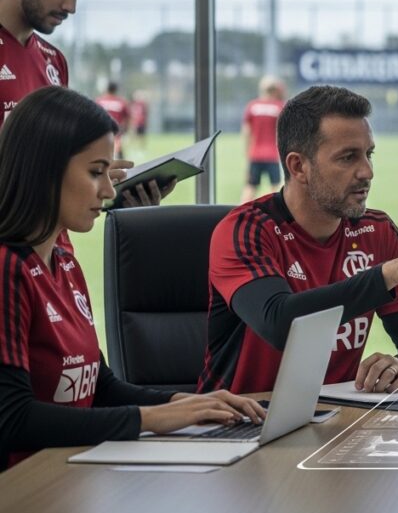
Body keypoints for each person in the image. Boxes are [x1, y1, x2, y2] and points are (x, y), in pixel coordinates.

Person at [0, 86, 263, 469]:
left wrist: (184, 403)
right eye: (95, 172)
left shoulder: (65, 265)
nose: (109, 191)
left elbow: (100, 387)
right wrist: (150, 420)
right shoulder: (8, 269)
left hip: (70, 477)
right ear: (45, 170)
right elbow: (14, 419)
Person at [200, 86, 398, 395]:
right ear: (298, 166)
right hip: (235, 427)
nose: (367, 171)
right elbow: (280, 323)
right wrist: (387, 275)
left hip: (332, 421)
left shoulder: (378, 232)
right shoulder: (245, 230)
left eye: (368, 154)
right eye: (348, 158)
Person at [0, 0, 166, 207]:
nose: (71, 7)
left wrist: (101, 183)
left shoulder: (54, 60)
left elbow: (54, 166)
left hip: (55, 247)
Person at [240, 76, 285, 202]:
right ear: (275, 91)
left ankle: (239, 215)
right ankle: (276, 218)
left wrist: (247, 153)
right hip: (272, 154)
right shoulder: (279, 107)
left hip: (255, 154)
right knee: (276, 189)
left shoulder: (252, 106)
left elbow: (246, 132)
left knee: (250, 187)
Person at [93, 81, 128, 158]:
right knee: (116, 149)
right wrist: (125, 129)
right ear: (116, 89)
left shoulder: (99, 101)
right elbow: (127, 117)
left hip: (102, 130)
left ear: (107, 89)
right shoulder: (121, 102)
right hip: (117, 130)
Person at [127, 89, 149, 154]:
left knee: (142, 137)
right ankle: (133, 149)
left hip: (141, 122)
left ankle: (142, 150)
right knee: (133, 136)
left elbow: (145, 113)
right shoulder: (132, 104)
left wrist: (145, 122)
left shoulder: (143, 104)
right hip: (134, 123)